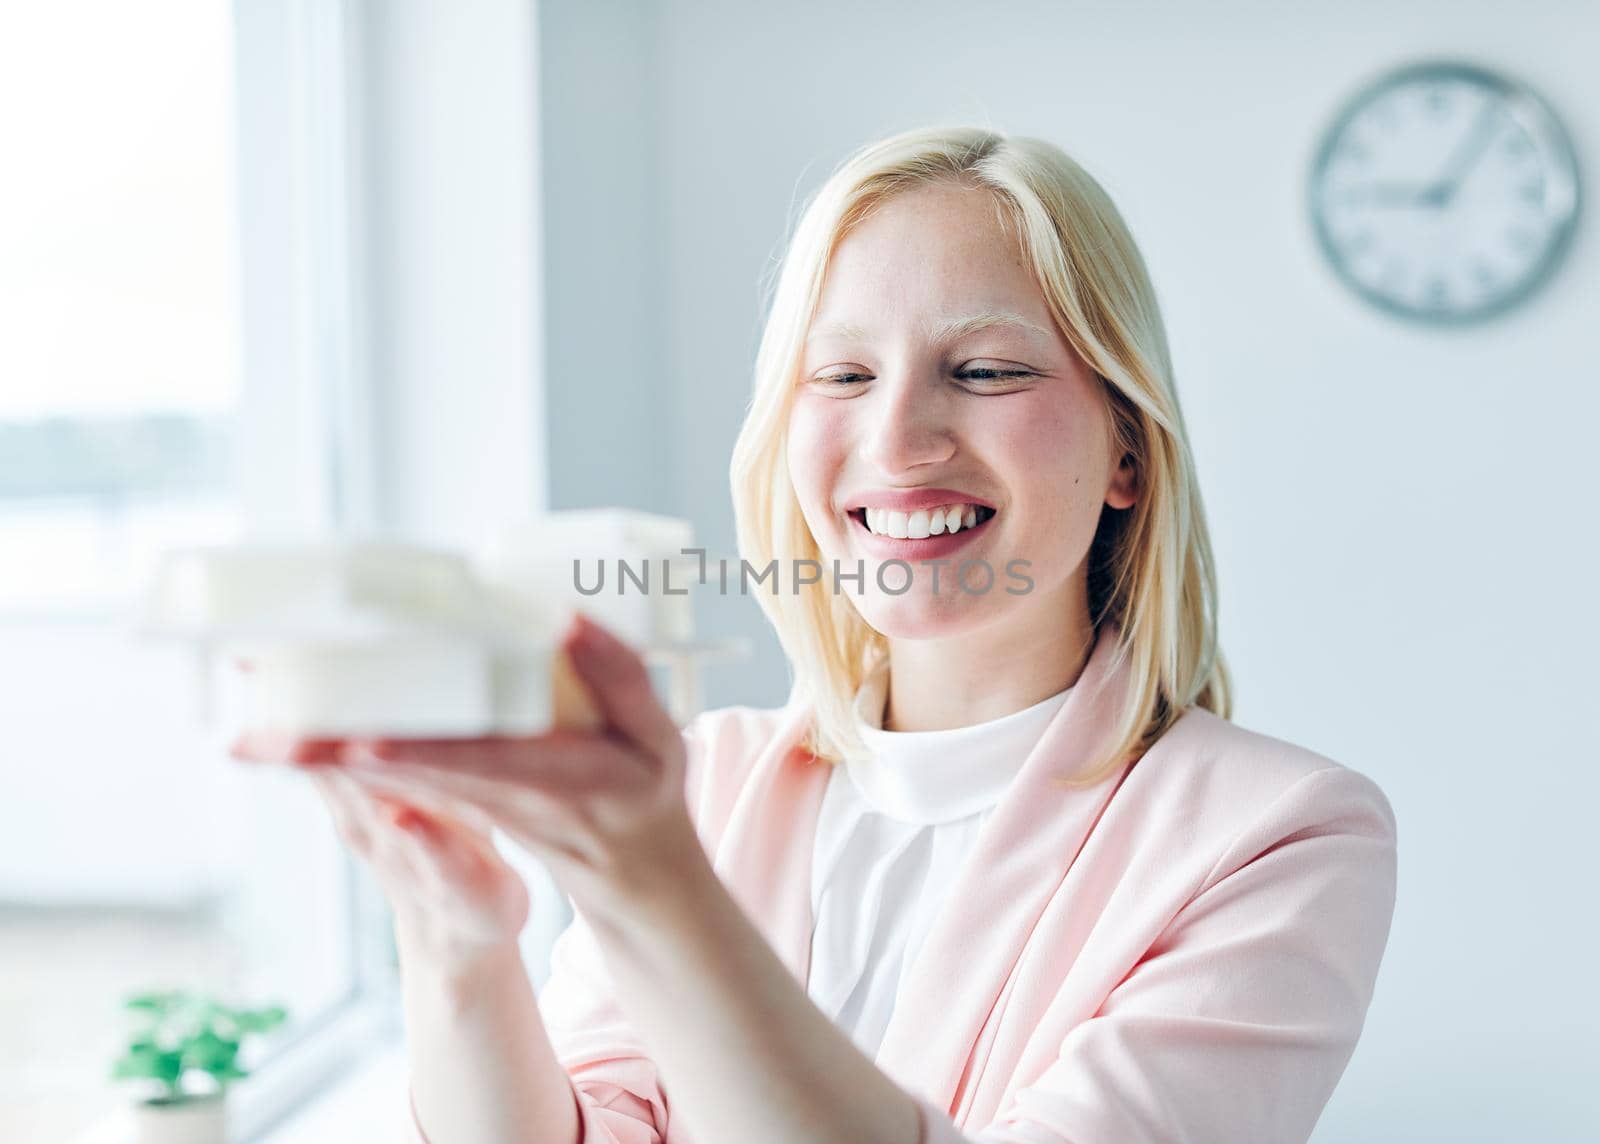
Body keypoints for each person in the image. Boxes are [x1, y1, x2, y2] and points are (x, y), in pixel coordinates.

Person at [234, 125, 1399, 1144]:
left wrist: (652, 882)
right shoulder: (706, 784)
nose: (897, 439)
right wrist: (458, 945)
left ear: (1129, 452)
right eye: (840, 372)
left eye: (983, 368)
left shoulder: (1279, 840)